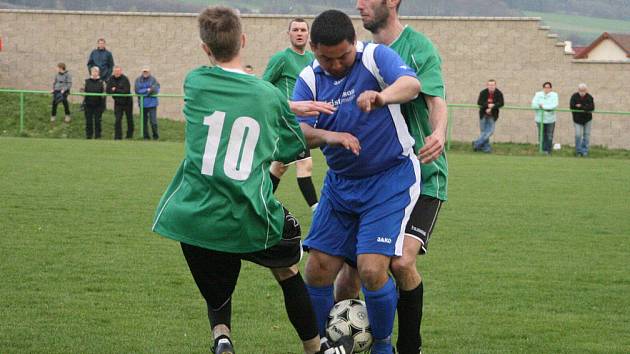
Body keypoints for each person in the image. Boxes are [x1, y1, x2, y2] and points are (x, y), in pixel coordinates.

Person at [151, 6, 352, 354]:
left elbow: (236, 97)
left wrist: (286, 105)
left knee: (216, 266)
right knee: (287, 269)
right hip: (247, 216)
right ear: (243, 40)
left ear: (205, 48)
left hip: (192, 215)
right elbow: (291, 145)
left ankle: (222, 338)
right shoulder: (268, 96)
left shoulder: (195, 82)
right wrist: (321, 129)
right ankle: (314, 348)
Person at [293, 10, 422, 354]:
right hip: (340, 185)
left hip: (389, 179)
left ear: (354, 43)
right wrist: (329, 136)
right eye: (326, 58)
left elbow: (411, 85)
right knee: (317, 269)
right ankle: (325, 345)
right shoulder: (309, 77)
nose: (335, 65)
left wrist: (382, 97)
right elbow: (297, 132)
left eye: (342, 56)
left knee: (370, 268)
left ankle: (382, 345)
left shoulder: (374, 57)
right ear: (315, 51)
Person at [331, 2, 449, 353]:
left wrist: (439, 132)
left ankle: (408, 346)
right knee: (349, 272)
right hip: (370, 180)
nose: (359, 5)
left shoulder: (418, 47)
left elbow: (435, 100)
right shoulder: (358, 54)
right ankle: (345, 343)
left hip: (423, 175)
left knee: (401, 262)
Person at [263, 18, 319, 212]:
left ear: (308, 34)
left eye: (303, 29)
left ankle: (261, 200)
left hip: (304, 121)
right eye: (295, 29)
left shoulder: (313, 59)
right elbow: (264, 86)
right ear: (289, 34)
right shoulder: (282, 58)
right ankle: (316, 208)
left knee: (279, 167)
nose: (299, 33)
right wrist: (288, 105)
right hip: (287, 120)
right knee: (305, 163)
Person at [473, 79, 504, 153]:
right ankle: (486, 149)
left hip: (492, 116)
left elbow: (501, 103)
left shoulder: (499, 93)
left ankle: (476, 143)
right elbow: (479, 102)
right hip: (483, 115)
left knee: (490, 131)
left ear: (495, 85)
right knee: (483, 132)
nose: (491, 86)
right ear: (487, 85)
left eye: (493, 85)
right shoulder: (483, 92)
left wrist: (493, 106)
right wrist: (487, 106)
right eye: (490, 85)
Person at [106, 66, 134, 139]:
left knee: (129, 118)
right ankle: (118, 136)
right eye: (115, 71)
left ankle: (129, 136)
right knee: (117, 119)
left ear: (121, 71)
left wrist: (115, 90)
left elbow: (126, 91)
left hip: (127, 102)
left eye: (118, 71)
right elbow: (108, 90)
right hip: (118, 102)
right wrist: (115, 90)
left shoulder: (125, 79)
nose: (117, 73)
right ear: (113, 72)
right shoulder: (111, 79)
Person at [531, 82, 558, 154]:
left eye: (548, 87)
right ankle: (542, 150)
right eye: (545, 87)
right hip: (540, 119)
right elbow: (533, 105)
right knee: (541, 135)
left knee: (549, 135)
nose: (547, 89)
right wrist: (541, 107)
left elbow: (554, 105)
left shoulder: (554, 95)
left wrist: (542, 107)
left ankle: (548, 151)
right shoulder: (538, 94)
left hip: (550, 119)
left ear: (551, 88)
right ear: (543, 88)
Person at [135, 66, 160, 140]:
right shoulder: (138, 80)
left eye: (146, 71)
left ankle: (155, 136)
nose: (145, 73)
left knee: (153, 121)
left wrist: (144, 92)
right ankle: (146, 137)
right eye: (144, 71)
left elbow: (155, 90)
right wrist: (147, 90)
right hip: (142, 104)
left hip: (152, 104)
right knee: (144, 122)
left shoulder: (153, 80)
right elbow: (137, 90)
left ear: (149, 72)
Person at [570, 83, 595, 157]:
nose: (582, 92)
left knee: (586, 135)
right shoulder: (574, 96)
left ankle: (585, 151)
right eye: (581, 90)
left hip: (587, 119)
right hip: (577, 120)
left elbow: (591, 108)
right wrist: (585, 107)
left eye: (584, 90)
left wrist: (581, 106)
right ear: (578, 90)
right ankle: (578, 151)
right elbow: (572, 106)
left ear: (586, 90)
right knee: (578, 135)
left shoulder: (589, 97)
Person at [83, 66, 105, 139]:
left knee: (97, 121)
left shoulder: (102, 82)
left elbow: (104, 93)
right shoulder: (86, 81)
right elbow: (82, 91)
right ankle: (89, 136)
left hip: (98, 105)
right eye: (93, 71)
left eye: (96, 72)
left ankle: (98, 136)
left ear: (98, 73)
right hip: (88, 104)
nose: (95, 73)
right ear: (91, 72)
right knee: (88, 121)